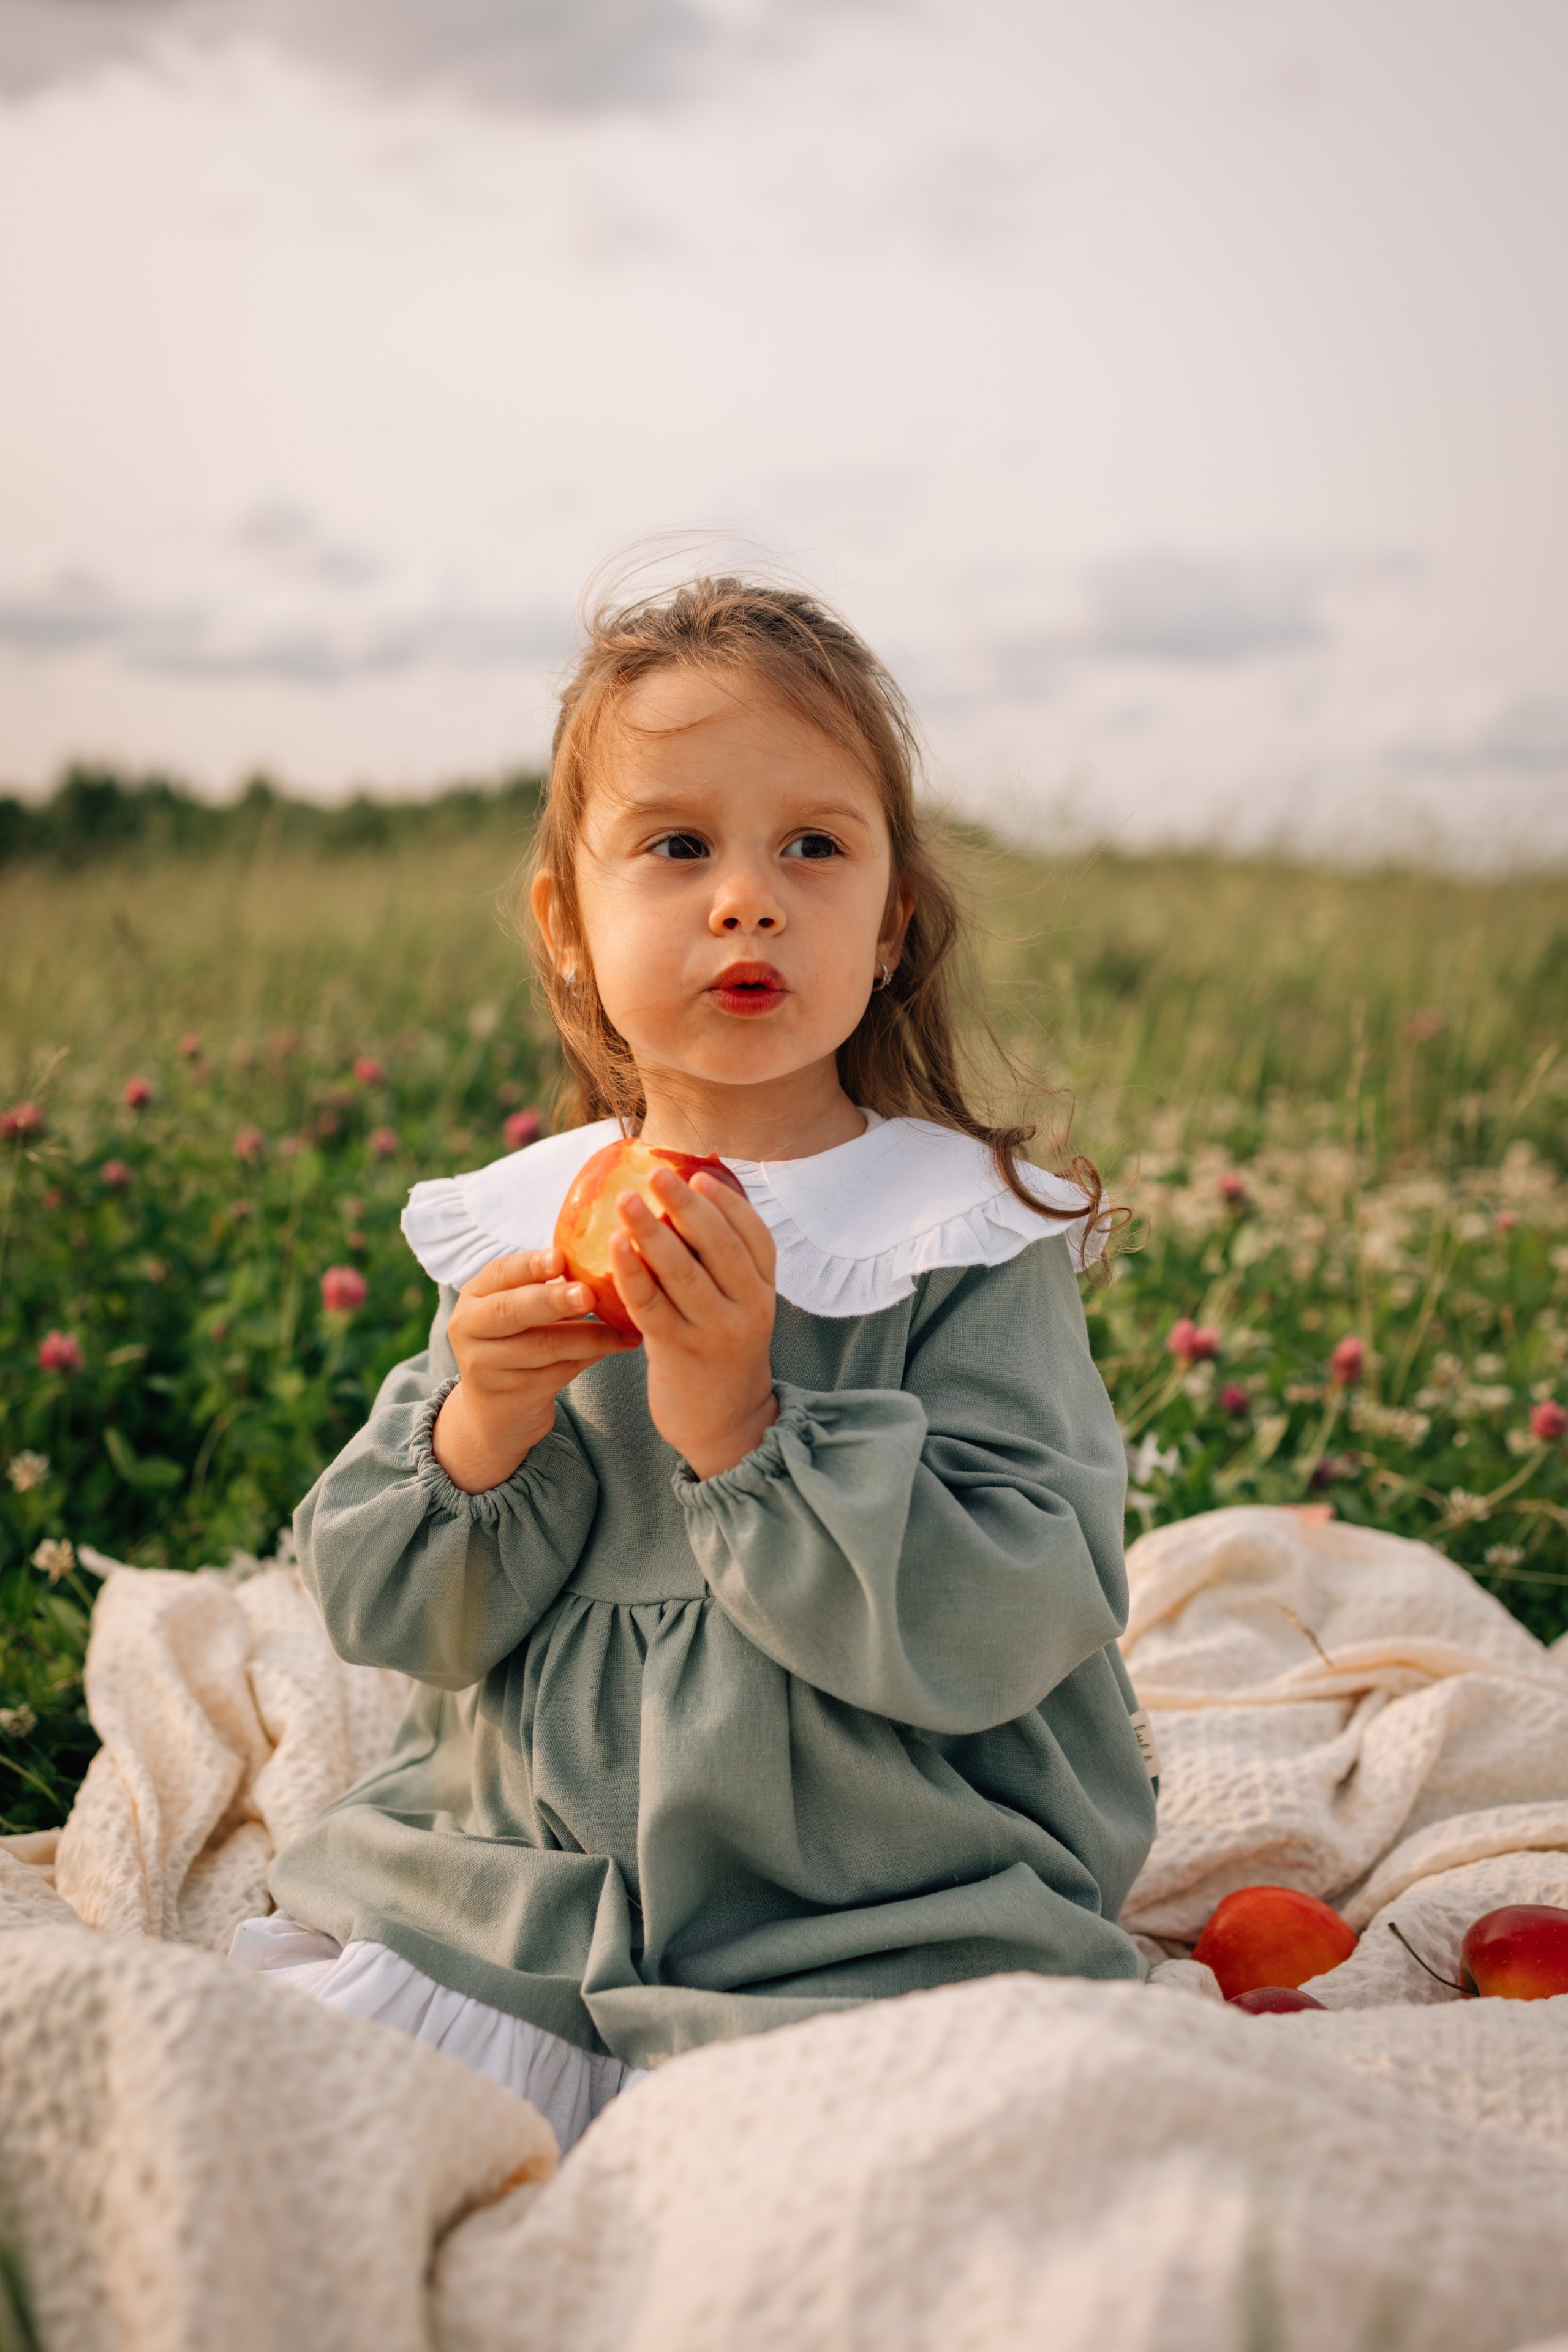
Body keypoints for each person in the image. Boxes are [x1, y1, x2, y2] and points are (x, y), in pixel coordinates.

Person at [232, 578, 1158, 2153]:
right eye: (676, 847)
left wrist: (743, 1427)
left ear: (892, 927)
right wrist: (484, 1426)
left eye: (812, 845)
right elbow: (399, 1624)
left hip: (865, 1903)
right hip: (523, 1890)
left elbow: (1020, 1608)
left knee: (894, 2181)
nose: (747, 899)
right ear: (568, 930)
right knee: (303, 2135)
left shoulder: (948, 1233)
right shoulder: (527, 1225)